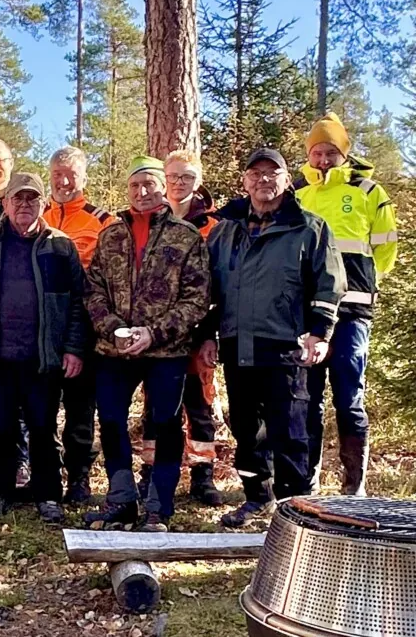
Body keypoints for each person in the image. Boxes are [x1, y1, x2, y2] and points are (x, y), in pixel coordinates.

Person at [205, 148, 347, 528]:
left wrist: (320, 333)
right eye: (255, 173)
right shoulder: (225, 230)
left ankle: (296, 509)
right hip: (237, 343)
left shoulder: (309, 228)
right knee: (246, 428)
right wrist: (207, 336)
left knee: (289, 428)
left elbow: (329, 285)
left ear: (287, 180)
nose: (263, 180)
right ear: (244, 181)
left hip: (286, 343)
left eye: (273, 173)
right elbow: (208, 291)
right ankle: (257, 499)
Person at [0, 172, 89, 524]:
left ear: (43, 203)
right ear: (6, 203)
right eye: (18, 198)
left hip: (43, 358)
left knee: (44, 429)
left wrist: (73, 348)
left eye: (32, 198)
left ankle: (48, 496)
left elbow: (77, 302)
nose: (25, 205)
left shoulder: (60, 246)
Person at [85, 156, 210, 532]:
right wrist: (113, 330)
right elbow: (92, 290)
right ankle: (121, 499)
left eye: (150, 185)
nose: (142, 193)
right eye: (135, 186)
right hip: (115, 350)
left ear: (163, 188)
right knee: (109, 419)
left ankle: (159, 506)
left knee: (166, 422)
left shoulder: (185, 235)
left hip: (166, 351)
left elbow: (197, 299)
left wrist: (152, 333)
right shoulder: (111, 234)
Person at [295, 114, 397, 496]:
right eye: (317, 152)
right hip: (307, 314)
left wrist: (363, 286)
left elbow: (386, 250)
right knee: (307, 398)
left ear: (344, 154)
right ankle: (308, 480)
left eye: (330, 152)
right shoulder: (300, 193)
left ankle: (354, 485)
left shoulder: (368, 191)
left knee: (348, 396)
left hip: (353, 312)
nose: (323, 159)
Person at [138, 151, 222, 507]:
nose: (178, 183)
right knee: (156, 406)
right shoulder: (148, 222)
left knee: (200, 405)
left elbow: (221, 285)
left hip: (198, 331)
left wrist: (209, 334)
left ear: (197, 180)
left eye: (186, 176)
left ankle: (202, 476)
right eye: (172, 176)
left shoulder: (213, 227)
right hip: (157, 333)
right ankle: (152, 475)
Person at [42, 145, 116, 504]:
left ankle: (79, 478)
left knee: (79, 408)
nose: (64, 181)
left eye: (70, 173)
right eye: (57, 174)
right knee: (40, 407)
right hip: (40, 329)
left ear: (83, 177)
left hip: (84, 328)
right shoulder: (35, 214)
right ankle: (46, 476)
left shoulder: (102, 221)